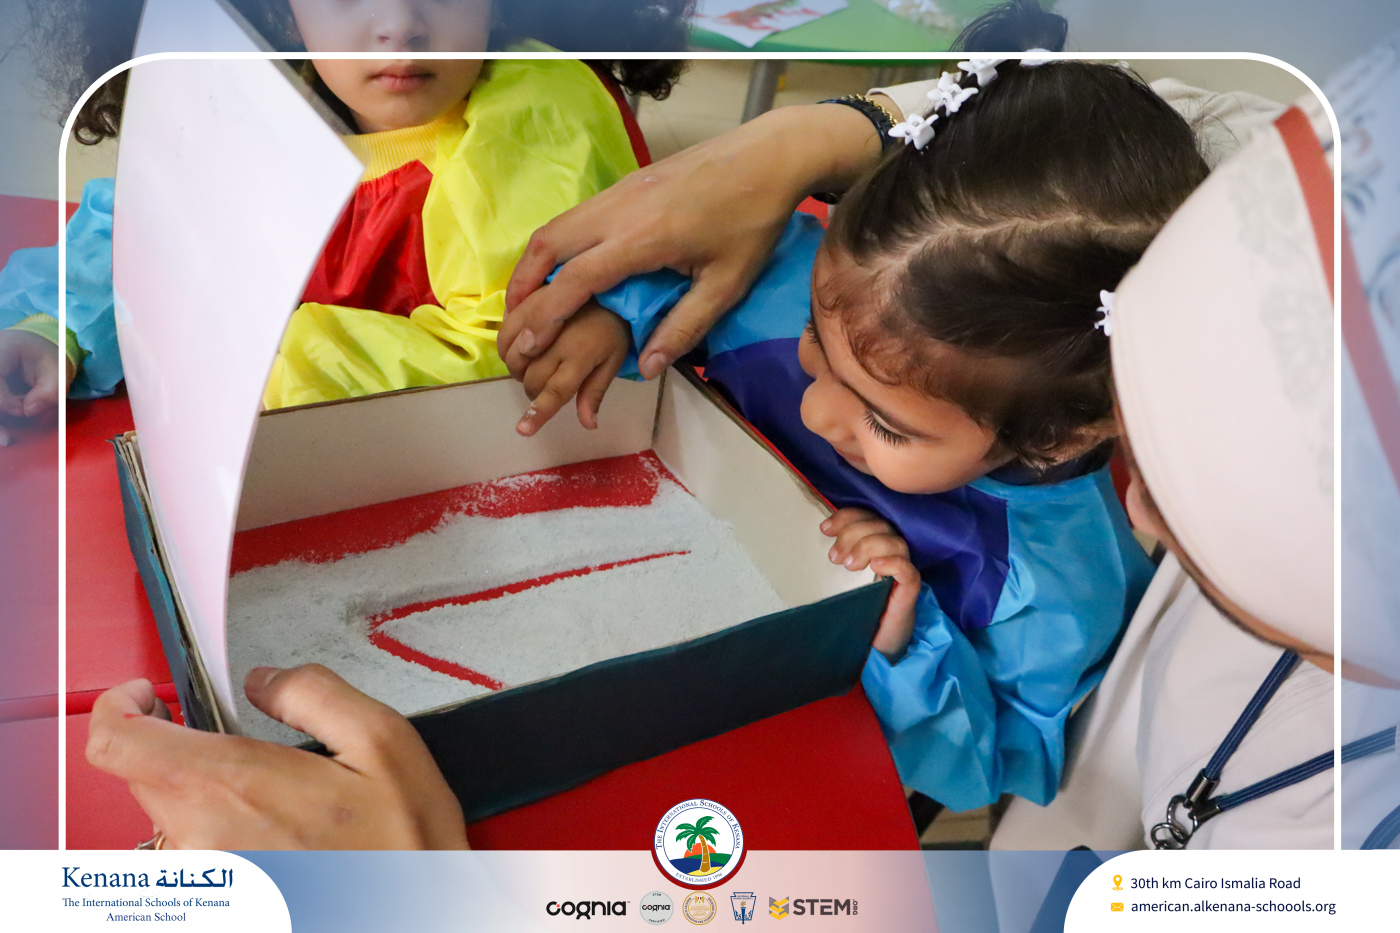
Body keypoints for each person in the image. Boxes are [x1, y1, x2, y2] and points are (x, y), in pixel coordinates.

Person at [505, 54, 1210, 814]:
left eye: (883, 423)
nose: (817, 412)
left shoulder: (1056, 593)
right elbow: (678, 275)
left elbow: (982, 769)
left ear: (1062, 435)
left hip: (798, 744)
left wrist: (904, 637)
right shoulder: (832, 286)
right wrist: (619, 315)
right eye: (813, 337)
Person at [0, 0, 691, 441]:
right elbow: (148, 229)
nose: (399, 24)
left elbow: (503, 352)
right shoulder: (264, 99)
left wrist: (266, 363)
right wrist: (57, 329)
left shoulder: (538, 117)